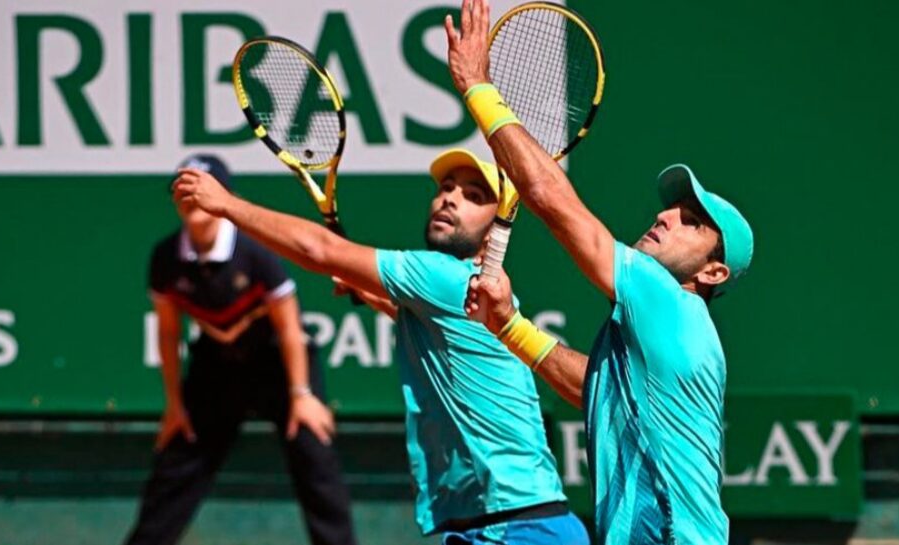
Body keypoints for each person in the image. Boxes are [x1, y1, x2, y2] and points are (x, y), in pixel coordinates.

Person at [445, 1, 756, 543]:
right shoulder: (658, 336)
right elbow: (595, 388)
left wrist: (477, 87)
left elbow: (550, 198)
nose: (665, 216)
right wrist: (510, 327)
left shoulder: (666, 298)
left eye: (692, 222)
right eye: (671, 207)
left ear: (712, 273)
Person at [172, 149, 588, 544]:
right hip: (512, 524)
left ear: (494, 227)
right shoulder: (478, 296)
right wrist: (367, 292)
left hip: (518, 530)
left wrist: (227, 205)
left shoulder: (444, 276)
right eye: (446, 187)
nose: (449, 199)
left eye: (472, 196)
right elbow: (430, 329)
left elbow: (319, 249)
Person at [123, 154, 357, 545]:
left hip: (279, 364)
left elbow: (289, 327)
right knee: (176, 461)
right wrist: (174, 406)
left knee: (314, 453)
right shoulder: (166, 258)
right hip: (215, 367)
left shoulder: (256, 252)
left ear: (223, 196)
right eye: (181, 190)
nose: (190, 198)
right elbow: (168, 334)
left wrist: (301, 395)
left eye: (199, 187)